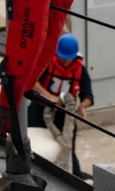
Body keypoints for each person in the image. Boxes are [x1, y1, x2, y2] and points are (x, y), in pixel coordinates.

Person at [29, 33, 95, 179]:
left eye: (68, 59)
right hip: (39, 110)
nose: (65, 62)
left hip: (64, 115)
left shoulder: (80, 71)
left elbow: (88, 95)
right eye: (62, 58)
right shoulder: (47, 63)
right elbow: (33, 81)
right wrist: (50, 98)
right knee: (34, 143)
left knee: (67, 148)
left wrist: (82, 106)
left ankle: (74, 177)